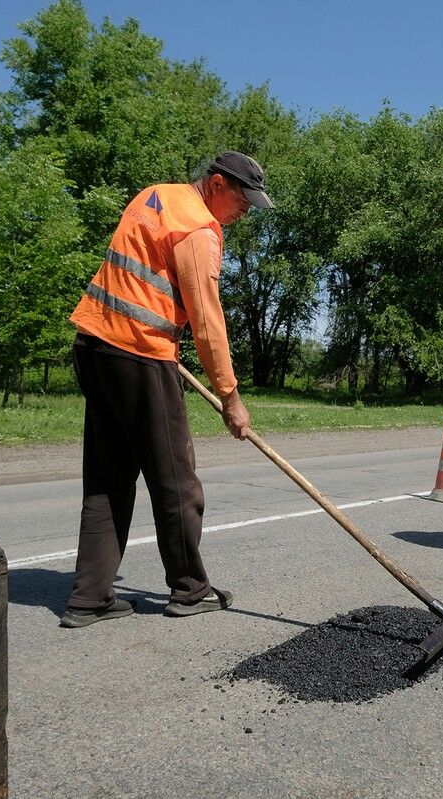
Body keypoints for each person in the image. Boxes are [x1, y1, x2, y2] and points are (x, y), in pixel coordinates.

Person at [59, 151, 275, 627]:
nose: (244, 212)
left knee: (108, 480)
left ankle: (89, 598)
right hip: (140, 354)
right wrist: (230, 397)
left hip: (94, 347)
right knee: (176, 481)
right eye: (242, 200)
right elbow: (208, 321)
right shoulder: (198, 229)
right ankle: (190, 589)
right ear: (217, 185)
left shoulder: (156, 196)